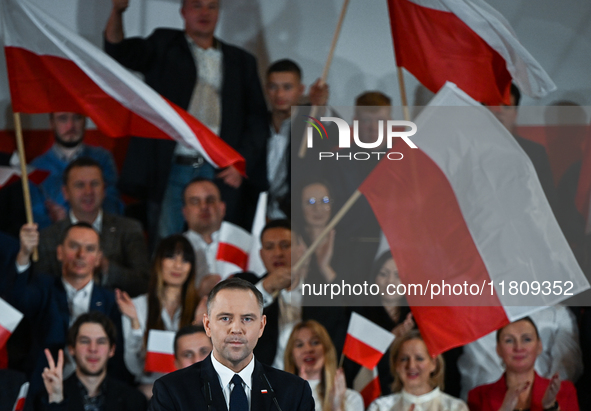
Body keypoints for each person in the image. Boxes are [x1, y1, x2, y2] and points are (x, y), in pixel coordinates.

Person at [104, 0, 269, 244]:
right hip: (171, 168)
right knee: (167, 244)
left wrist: (240, 163)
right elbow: (118, 51)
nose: (205, 12)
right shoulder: (163, 44)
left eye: (212, 6)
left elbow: (257, 120)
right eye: (197, 5)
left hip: (219, 170)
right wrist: (117, 12)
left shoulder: (242, 61)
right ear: (183, 12)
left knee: (218, 245)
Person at [149, 277, 315, 410]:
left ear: (261, 326)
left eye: (247, 319)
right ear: (207, 325)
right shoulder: (171, 391)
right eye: (225, 318)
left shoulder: (294, 391)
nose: (236, 329)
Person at [8, 222, 125, 401]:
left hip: (93, 394)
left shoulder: (110, 301)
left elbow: (116, 357)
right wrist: (24, 254)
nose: (81, 255)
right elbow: (17, 302)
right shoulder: (43, 287)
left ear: (99, 258)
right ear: (60, 252)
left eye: (90, 249)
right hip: (42, 389)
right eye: (74, 246)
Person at [236, 219, 348, 370]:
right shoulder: (246, 286)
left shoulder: (323, 295)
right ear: (261, 255)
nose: (277, 253)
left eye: (285, 245)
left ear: (301, 249)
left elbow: (347, 322)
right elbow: (233, 320)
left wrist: (325, 267)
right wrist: (266, 287)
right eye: (269, 247)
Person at [36, 157, 150, 297]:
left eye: (94, 184)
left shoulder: (129, 229)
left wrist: (107, 268)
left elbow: (144, 284)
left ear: (104, 189)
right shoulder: (48, 237)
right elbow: (40, 290)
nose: (88, 191)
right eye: (80, 185)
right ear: (65, 192)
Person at [115, 234, 199, 398]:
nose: (178, 266)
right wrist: (134, 322)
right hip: (152, 390)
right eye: (171, 257)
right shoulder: (137, 306)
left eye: (185, 260)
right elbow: (135, 367)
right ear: (158, 262)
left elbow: (203, 365)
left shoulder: (201, 307)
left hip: (191, 390)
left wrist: (197, 323)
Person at [457, 305, 582, 399]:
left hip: (543, 399)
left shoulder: (557, 312)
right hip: (483, 400)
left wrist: (541, 398)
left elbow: (567, 367)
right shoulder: (470, 311)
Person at [35, 312, 146, 411]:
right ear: (72, 348)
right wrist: (56, 401)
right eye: (85, 341)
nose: (93, 348)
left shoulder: (135, 400)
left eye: (101, 342)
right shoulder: (47, 397)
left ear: (112, 350)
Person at [30, 112, 121, 229]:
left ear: (85, 120)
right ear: (52, 123)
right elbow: (34, 217)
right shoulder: (37, 167)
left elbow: (113, 206)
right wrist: (54, 222)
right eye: (63, 119)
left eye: (77, 118)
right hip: (56, 240)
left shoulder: (102, 159)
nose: (70, 126)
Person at [265, 59, 330, 219]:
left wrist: (320, 107)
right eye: (274, 87)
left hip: (296, 215)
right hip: (257, 212)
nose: (279, 95)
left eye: (287, 88)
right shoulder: (255, 122)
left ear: (301, 89)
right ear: (267, 89)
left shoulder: (310, 120)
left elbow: (332, 134)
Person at [468, 318, 580, 411]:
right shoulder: (478, 396)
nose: (518, 347)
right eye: (509, 341)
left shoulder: (565, 391)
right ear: (498, 349)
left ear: (539, 346)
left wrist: (551, 407)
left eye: (526, 339)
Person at [346, 252, 414, 395]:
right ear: (374, 278)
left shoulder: (415, 317)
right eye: (383, 274)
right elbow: (357, 369)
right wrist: (390, 338)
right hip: (375, 395)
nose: (390, 281)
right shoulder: (360, 315)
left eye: (398, 275)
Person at [368, 329, 468, 411]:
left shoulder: (455, 407)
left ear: (434, 364)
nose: (411, 366)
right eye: (404, 359)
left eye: (419, 358)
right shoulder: (380, 407)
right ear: (396, 365)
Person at [182, 177, 252, 283]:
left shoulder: (245, 243)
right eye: (195, 202)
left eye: (210, 200)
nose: (204, 206)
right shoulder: (173, 248)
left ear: (222, 208)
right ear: (185, 212)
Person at [285, 320, 363, 411]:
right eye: (299, 345)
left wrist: (337, 407)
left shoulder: (350, 399)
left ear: (326, 350)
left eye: (315, 342)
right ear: (291, 355)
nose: (308, 349)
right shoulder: (278, 396)